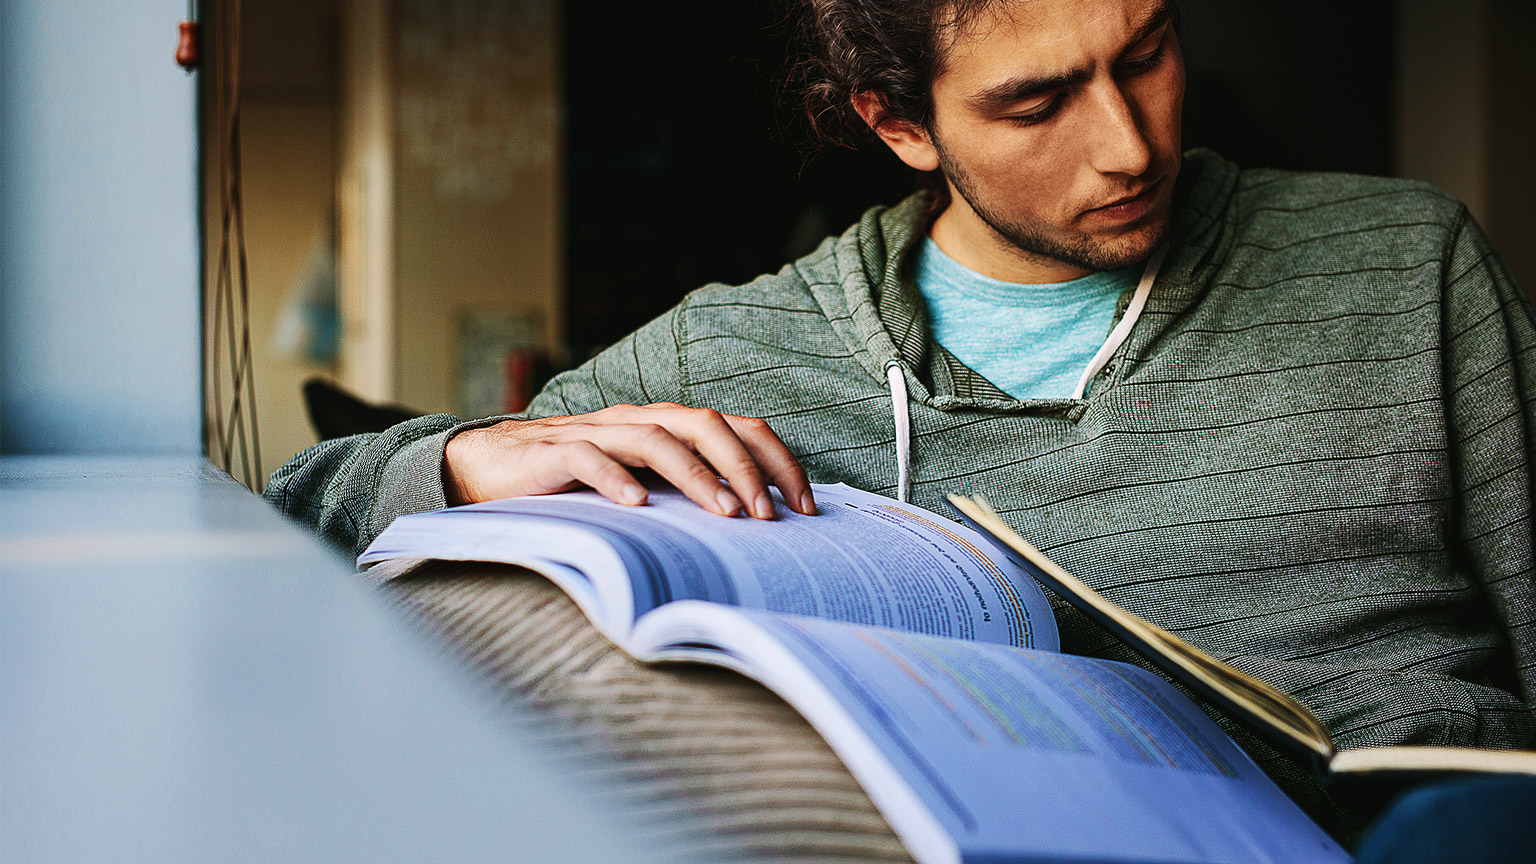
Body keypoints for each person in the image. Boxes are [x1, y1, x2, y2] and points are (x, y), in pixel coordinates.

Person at [265, 0, 1535, 846]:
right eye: (1037, 105)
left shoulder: (1402, 259)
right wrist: (460, 457)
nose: (1129, 145)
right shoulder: (738, 350)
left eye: (1144, 52)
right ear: (901, 125)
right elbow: (291, 509)